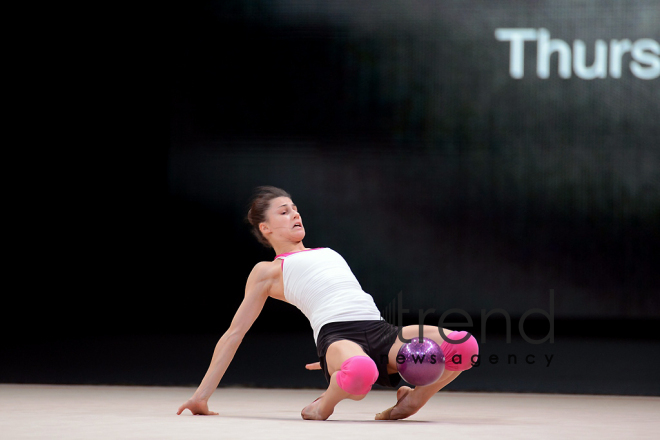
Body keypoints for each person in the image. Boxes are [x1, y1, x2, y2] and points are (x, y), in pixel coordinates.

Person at [177, 186, 479, 420]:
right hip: (339, 337)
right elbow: (234, 333)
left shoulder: (327, 251)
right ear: (265, 228)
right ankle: (323, 405)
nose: (295, 214)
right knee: (361, 371)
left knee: (465, 347)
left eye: (295, 209)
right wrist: (202, 395)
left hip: (381, 331)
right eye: (283, 212)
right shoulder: (268, 270)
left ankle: (413, 400)